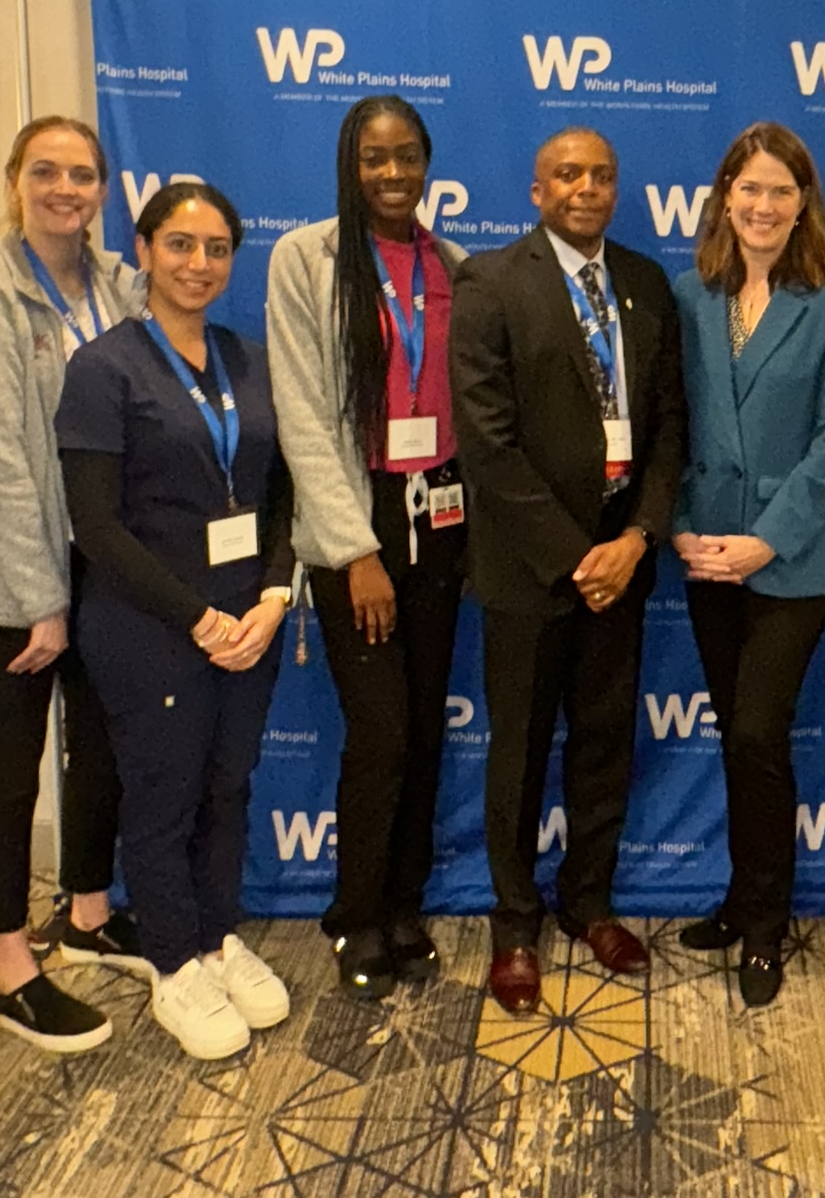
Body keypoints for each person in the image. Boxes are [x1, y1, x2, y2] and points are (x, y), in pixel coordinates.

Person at [56, 181, 295, 1061]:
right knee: (161, 800)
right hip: (149, 627)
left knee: (227, 787)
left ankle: (216, 935)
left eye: (218, 249)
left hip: (250, 627)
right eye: (182, 246)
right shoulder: (105, 369)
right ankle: (171, 961)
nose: (200, 265)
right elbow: (97, 525)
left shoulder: (250, 359)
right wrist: (198, 619)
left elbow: (281, 495)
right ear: (146, 251)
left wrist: (272, 599)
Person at [450, 126, 686, 1014]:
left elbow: (668, 429)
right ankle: (515, 924)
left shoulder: (644, 283)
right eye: (567, 175)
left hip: (623, 568)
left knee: (602, 744)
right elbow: (488, 442)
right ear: (537, 189)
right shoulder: (490, 283)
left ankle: (589, 899)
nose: (587, 187)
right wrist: (571, 554)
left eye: (603, 175)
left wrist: (635, 541)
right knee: (514, 753)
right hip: (529, 573)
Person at [0, 116, 144, 1053]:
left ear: (104, 190)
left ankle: (90, 912)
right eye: (47, 172)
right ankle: (10, 959)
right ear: (15, 179)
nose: (67, 189)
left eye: (84, 175)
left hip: (98, 562)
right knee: (11, 769)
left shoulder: (114, 287)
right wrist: (41, 598)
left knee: (99, 748)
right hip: (13, 581)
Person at [267, 96, 469, 1000]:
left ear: (429, 161)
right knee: (380, 730)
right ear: (350, 164)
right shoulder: (304, 259)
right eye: (373, 158)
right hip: (361, 523)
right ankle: (353, 913)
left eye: (407, 157)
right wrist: (354, 551)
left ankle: (403, 908)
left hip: (444, 517)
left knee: (425, 728)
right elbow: (305, 413)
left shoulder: (453, 264)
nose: (392, 174)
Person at [672, 122, 825, 1008]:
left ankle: (766, 923)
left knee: (758, 734)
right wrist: (680, 527)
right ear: (725, 198)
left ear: (803, 205)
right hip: (707, 553)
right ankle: (739, 895)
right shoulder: (690, 294)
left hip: (789, 561)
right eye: (748, 189)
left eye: (780, 192)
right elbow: (668, 424)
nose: (762, 205)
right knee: (734, 738)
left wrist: (770, 537)